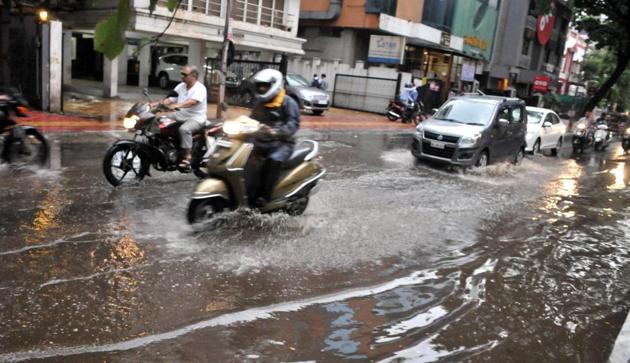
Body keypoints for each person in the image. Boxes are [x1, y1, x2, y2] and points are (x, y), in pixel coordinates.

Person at [249, 68, 300, 207]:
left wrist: (276, 132)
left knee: (273, 159)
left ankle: (264, 197)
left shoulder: (289, 102)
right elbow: (251, 120)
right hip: (261, 140)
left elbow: (293, 124)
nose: (262, 88)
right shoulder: (260, 103)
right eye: (260, 86)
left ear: (274, 85)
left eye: (265, 86)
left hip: (282, 143)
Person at [150, 64, 207, 171]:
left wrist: (177, 105)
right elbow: (170, 99)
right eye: (181, 74)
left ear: (194, 75)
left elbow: (192, 102)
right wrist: (156, 105)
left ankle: (187, 157)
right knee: (159, 121)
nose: (182, 76)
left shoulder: (200, 88)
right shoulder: (181, 86)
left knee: (184, 129)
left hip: (195, 118)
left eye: (184, 74)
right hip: (180, 115)